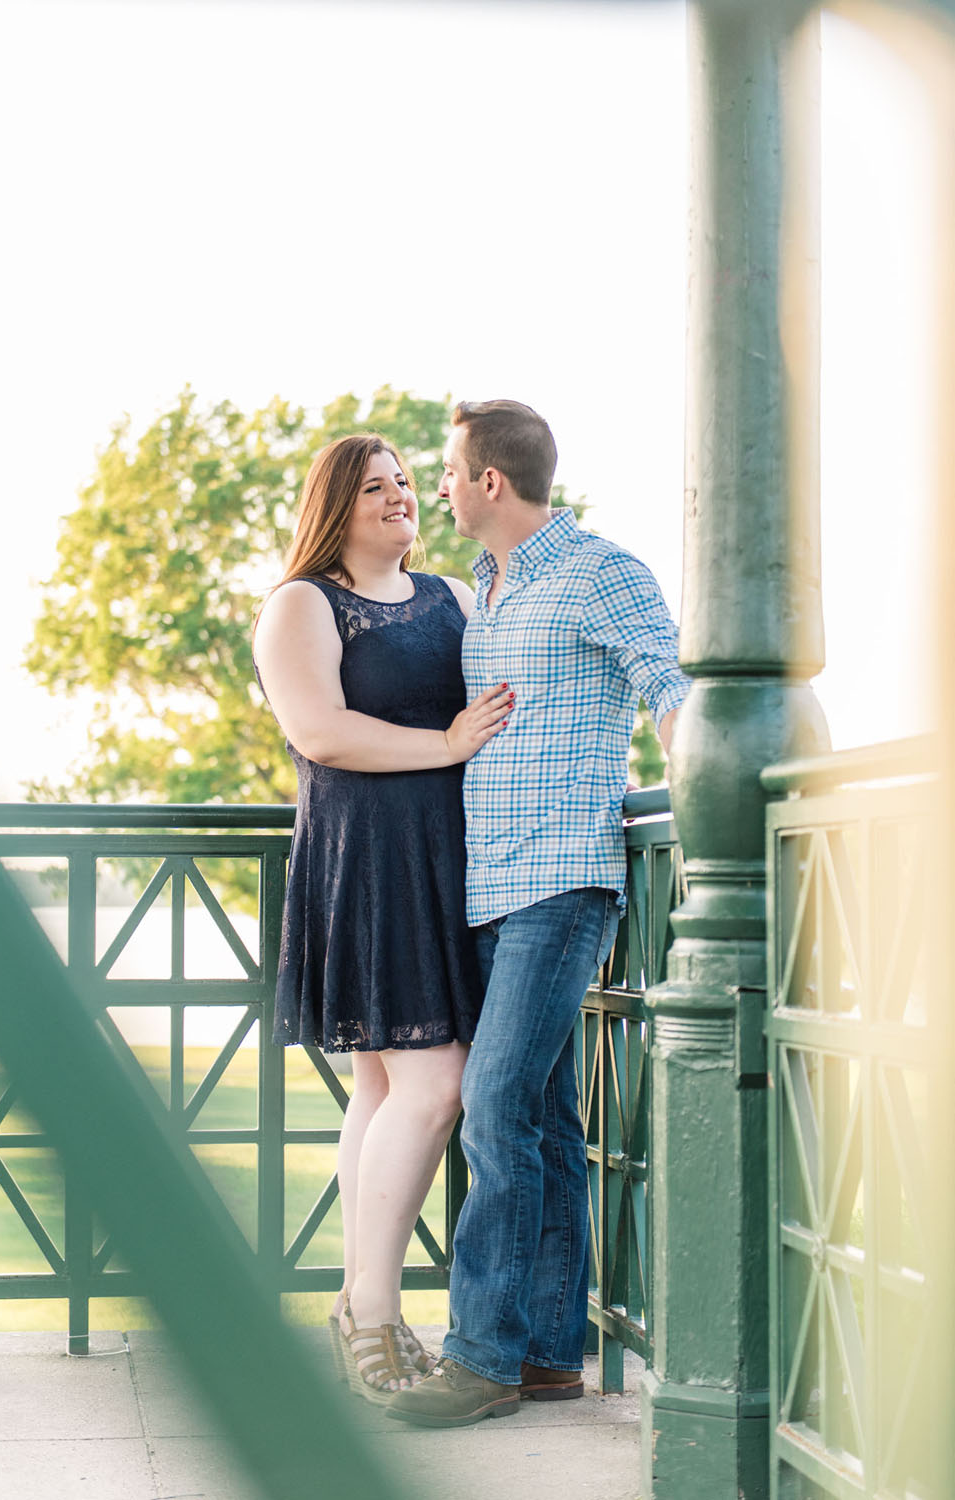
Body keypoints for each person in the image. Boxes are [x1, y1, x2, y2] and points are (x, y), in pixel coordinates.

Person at [388, 400, 690, 1428]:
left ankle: (478, 1358)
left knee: (494, 1104)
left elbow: (668, 684)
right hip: (485, 886)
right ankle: (549, 1354)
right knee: (549, 1126)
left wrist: (708, 790)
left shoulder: (602, 571)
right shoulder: (484, 585)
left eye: (443, 472)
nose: (432, 489)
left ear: (487, 482)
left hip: (562, 878)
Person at [252, 432, 514, 1406]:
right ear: (335, 505)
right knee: (433, 1084)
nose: (399, 496)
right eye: (374, 487)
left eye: (405, 482)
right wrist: (444, 742)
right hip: (365, 864)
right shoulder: (302, 604)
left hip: (449, 860)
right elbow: (318, 731)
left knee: (380, 1083)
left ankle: (359, 1305)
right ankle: (371, 1307)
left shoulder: (450, 595)